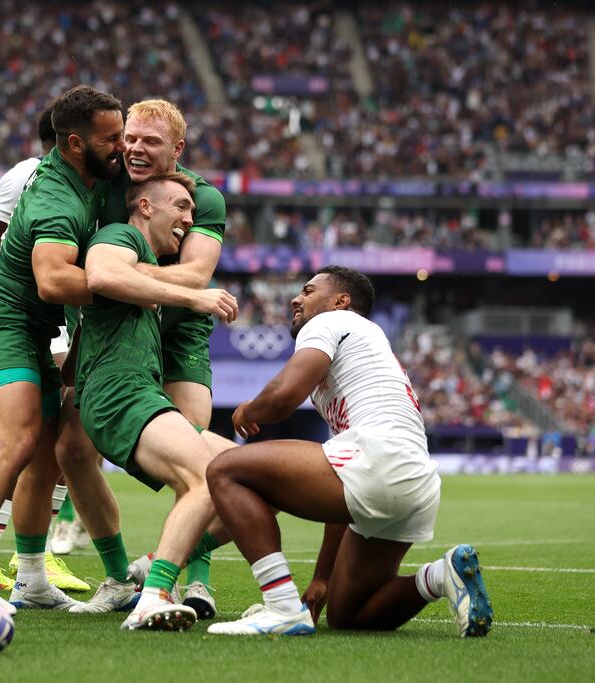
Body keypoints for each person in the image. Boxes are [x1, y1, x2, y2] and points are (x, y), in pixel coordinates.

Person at [205, 267, 493, 638]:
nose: (296, 298)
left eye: (308, 291)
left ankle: (280, 606)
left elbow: (283, 396)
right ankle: (441, 576)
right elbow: (340, 478)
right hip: (414, 482)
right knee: (347, 615)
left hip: (378, 461)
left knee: (225, 469)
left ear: (341, 301)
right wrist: (322, 576)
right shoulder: (368, 346)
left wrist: (247, 411)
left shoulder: (331, 321)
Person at [0, 85, 125, 611]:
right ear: (75, 144)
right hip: (2, 323)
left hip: (37, 328)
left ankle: (31, 578)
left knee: (48, 457)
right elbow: (53, 282)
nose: (122, 147)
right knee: (19, 441)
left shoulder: (90, 180)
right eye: (111, 138)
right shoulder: (53, 196)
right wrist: (141, 285)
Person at [62, 99, 227, 618]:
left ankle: (185, 577)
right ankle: (120, 579)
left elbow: (197, 276)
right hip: (115, 328)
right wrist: (113, 274)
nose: (133, 148)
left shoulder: (200, 196)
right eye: (129, 138)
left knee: (198, 449)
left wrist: (130, 277)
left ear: (176, 151)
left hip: (177, 325)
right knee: (70, 451)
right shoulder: (103, 184)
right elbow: (103, 270)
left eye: (149, 142)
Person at [0, 104, 88, 594]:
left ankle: (33, 560)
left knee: (59, 444)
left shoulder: (85, 186)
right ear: (68, 139)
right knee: (31, 440)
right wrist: (0, 317)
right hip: (30, 313)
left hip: (61, 315)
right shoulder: (23, 178)